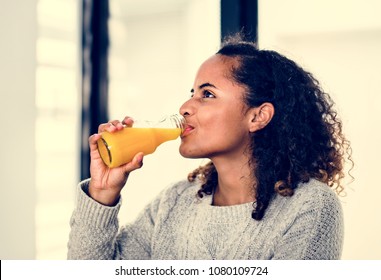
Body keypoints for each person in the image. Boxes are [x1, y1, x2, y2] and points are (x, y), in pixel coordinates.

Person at [67, 33, 353, 260]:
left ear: (258, 116)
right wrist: (102, 194)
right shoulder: (175, 202)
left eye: (207, 94)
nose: (185, 107)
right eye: (192, 93)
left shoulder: (310, 208)